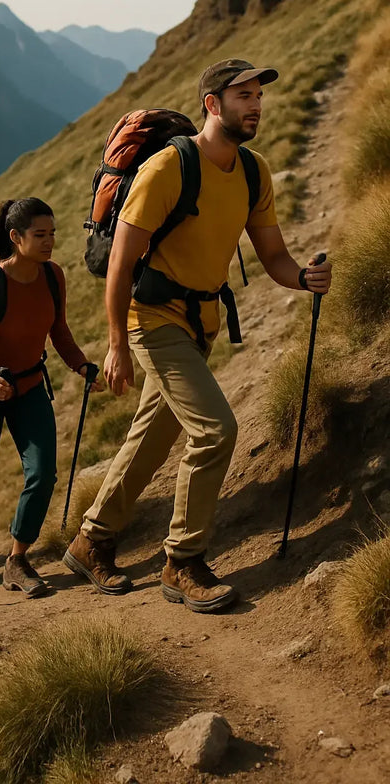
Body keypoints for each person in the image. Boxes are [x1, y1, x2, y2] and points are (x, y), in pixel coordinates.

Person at [64, 58, 332, 612]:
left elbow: (275, 256)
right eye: (243, 96)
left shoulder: (254, 172)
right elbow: (119, 265)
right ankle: (181, 561)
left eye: (258, 96)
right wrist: (116, 344)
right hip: (153, 320)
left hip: (201, 323)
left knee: (153, 436)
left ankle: (92, 540)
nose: (256, 105)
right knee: (215, 430)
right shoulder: (167, 169)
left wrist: (304, 278)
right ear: (213, 105)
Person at [0, 198, 100, 598]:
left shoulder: (53, 276)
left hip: (28, 386)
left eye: (52, 234)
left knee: (43, 472)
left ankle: (17, 559)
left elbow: (58, 331)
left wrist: (81, 365)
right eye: (39, 235)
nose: (49, 242)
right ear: (16, 238)